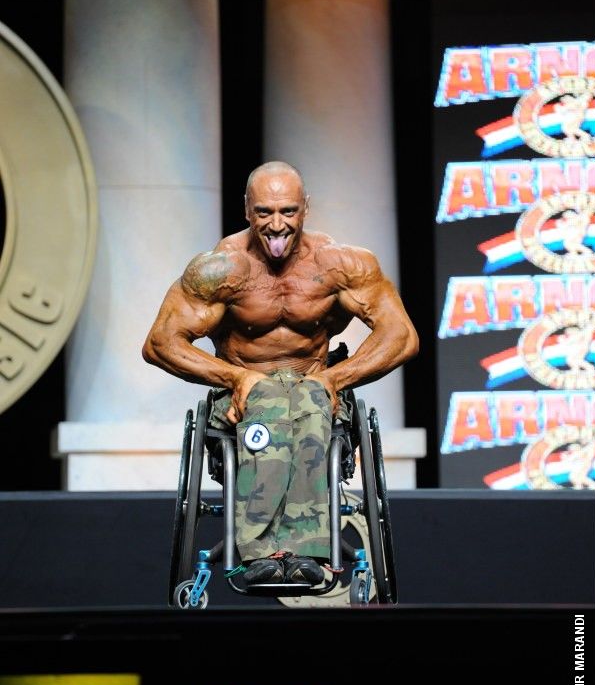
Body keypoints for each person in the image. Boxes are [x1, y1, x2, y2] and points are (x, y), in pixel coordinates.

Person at [142, 161, 419, 586]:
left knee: (307, 396)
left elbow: (401, 335)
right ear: (247, 210)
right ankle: (262, 553)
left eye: (287, 211)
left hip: (316, 385)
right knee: (269, 397)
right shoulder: (221, 269)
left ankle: (304, 552)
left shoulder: (340, 264)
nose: (276, 225)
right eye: (264, 212)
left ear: (305, 208)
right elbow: (160, 343)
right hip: (243, 393)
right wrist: (235, 378)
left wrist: (336, 378)